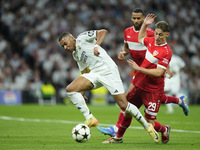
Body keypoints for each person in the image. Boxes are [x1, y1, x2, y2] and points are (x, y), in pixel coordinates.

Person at [97, 8, 189, 138]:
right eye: (134, 18)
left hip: (146, 71)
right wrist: (123, 52)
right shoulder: (127, 32)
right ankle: (179, 101)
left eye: (138, 18)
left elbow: (162, 53)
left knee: (130, 100)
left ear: (143, 18)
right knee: (135, 100)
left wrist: (165, 68)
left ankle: (117, 129)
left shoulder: (152, 34)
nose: (136, 20)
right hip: (140, 71)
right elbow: (127, 48)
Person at [58, 29, 160, 142]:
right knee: (70, 89)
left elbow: (103, 32)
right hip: (95, 73)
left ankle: (147, 127)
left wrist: (96, 45)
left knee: (123, 104)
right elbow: (85, 73)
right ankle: (89, 118)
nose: (66, 48)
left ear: (72, 38)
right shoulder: (75, 54)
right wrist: (82, 92)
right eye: (63, 47)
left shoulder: (82, 38)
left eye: (65, 44)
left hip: (108, 71)